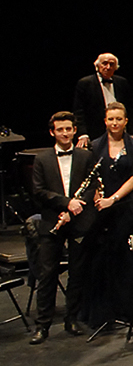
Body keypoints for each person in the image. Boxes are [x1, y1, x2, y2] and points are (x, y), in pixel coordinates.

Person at [75, 102, 133, 331]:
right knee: (99, 259)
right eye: (110, 119)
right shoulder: (95, 146)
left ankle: (124, 309)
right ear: (105, 121)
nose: (114, 123)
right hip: (101, 210)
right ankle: (101, 311)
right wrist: (98, 198)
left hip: (125, 207)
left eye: (119, 119)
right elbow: (90, 176)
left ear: (125, 121)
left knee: (122, 258)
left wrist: (113, 199)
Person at [27, 112, 92, 343]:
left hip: (78, 221)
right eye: (60, 130)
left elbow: (91, 187)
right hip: (51, 222)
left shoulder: (86, 157)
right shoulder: (42, 159)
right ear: (52, 132)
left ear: (75, 130)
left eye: (68, 129)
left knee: (77, 273)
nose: (65, 133)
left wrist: (75, 208)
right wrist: (66, 204)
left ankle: (71, 319)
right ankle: (42, 325)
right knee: (47, 274)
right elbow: (38, 191)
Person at [73, 53, 133, 145]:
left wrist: (132, 133)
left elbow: (130, 110)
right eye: (104, 63)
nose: (108, 67)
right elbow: (79, 111)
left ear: (116, 67)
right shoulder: (85, 83)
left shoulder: (122, 82)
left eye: (112, 64)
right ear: (97, 66)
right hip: (95, 132)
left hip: (120, 132)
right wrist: (83, 134)